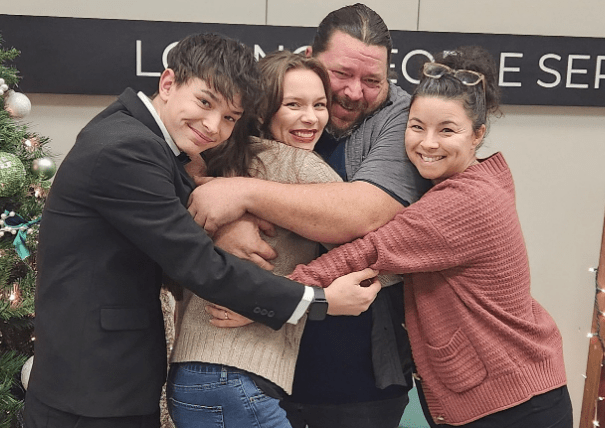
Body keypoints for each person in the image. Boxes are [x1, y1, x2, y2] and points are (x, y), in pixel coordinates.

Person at [22, 33, 380, 428]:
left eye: (230, 117)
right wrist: (318, 299)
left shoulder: (133, 134)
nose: (213, 126)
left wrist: (228, 219)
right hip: (91, 393)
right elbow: (199, 264)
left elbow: (172, 222)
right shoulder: (126, 148)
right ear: (168, 83)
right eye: (205, 102)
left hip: (108, 384)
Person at [286, 46, 574, 428]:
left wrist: (274, 296)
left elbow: (367, 251)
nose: (428, 143)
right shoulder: (478, 179)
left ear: (478, 134)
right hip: (516, 392)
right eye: (417, 126)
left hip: (514, 408)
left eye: (447, 130)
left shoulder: (463, 201)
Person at [188, 4, 432, 428]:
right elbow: (185, 165)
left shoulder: (404, 118)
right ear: (311, 59)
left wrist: (242, 195)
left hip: (352, 376)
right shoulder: (251, 121)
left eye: (372, 80)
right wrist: (218, 220)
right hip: (251, 365)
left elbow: (361, 220)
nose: (353, 92)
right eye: (341, 74)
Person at [166, 50, 342, 428]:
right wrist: (286, 297)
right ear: (261, 112)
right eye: (293, 105)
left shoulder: (222, 160)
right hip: (233, 380)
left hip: (197, 376)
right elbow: (381, 257)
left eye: (320, 105)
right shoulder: (301, 166)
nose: (311, 118)